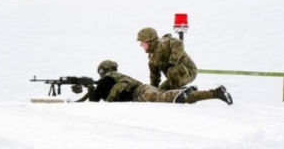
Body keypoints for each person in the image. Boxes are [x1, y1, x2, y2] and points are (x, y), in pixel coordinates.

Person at [88, 60, 232, 105]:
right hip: (145, 88)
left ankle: (182, 93)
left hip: (140, 93)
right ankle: (214, 93)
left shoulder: (107, 79)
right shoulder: (118, 76)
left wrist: (88, 89)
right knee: (170, 96)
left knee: (168, 98)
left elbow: (92, 101)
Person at [136, 26, 198, 90]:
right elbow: (154, 77)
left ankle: (176, 92)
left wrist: (173, 61)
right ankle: (186, 92)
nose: (141, 45)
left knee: (172, 70)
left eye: (142, 42)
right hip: (174, 76)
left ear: (149, 42)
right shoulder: (152, 59)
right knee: (161, 91)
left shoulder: (165, 43)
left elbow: (179, 43)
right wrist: (153, 90)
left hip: (189, 71)